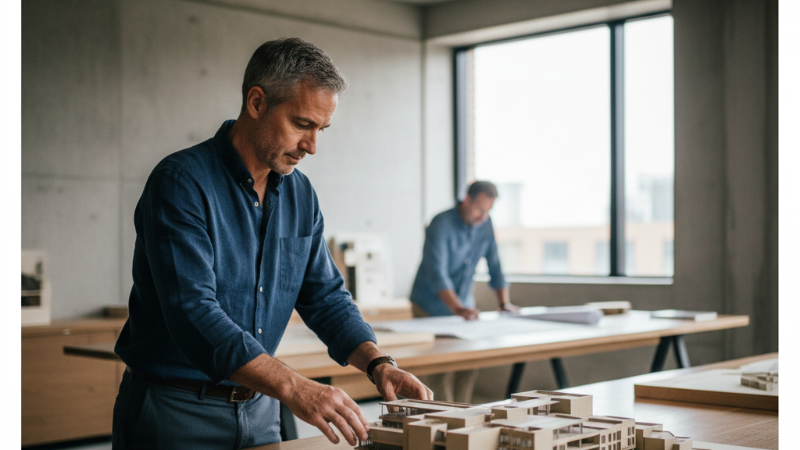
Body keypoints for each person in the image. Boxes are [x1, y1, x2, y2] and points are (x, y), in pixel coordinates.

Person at [112, 38, 432, 450]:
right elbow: (193, 312)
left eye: (321, 130)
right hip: (176, 413)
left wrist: (378, 364)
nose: (312, 146)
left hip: (261, 411)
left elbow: (325, 297)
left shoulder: (301, 195)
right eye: (302, 124)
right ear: (257, 102)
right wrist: (295, 387)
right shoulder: (180, 183)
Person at [409, 181, 517, 403]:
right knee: (440, 369)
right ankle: (442, 419)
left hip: (464, 307)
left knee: (468, 365)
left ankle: (461, 417)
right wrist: (457, 308)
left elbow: (495, 266)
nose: (483, 217)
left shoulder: (485, 224)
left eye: (487, 212)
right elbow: (437, 274)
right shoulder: (441, 223)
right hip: (430, 305)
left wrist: (504, 303)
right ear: (467, 199)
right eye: (479, 209)